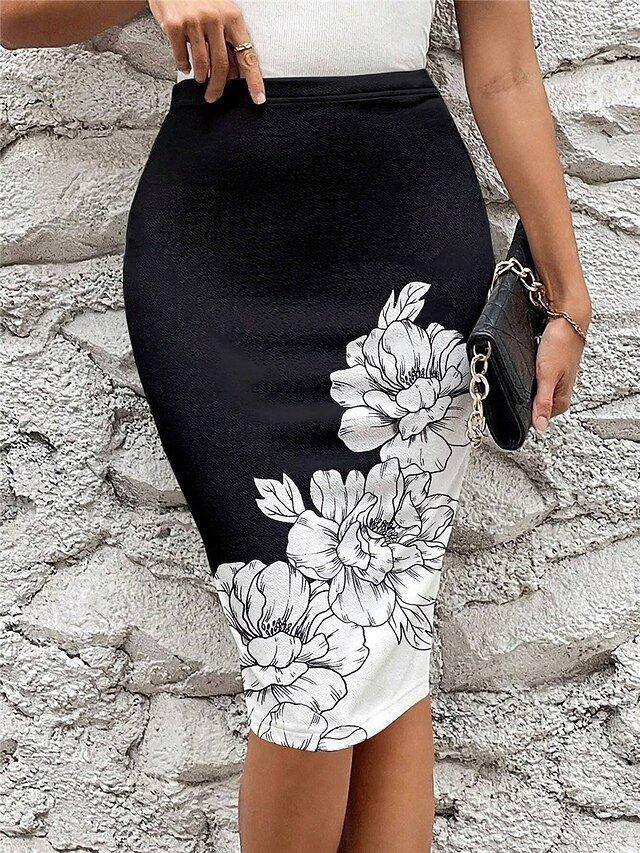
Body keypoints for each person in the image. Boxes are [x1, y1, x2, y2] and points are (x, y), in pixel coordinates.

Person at [1, 2, 592, 851]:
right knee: (307, 659)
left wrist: (565, 296)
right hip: (215, 264)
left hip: (406, 255)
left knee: (385, 638)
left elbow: (505, 73)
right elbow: (16, 17)